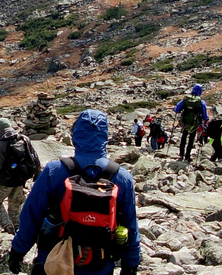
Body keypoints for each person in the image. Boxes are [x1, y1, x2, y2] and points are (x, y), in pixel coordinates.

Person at [8, 110, 141, 275]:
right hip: (100, 265)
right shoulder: (122, 177)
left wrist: (18, 251)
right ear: (105, 136)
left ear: (76, 134)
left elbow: (32, 216)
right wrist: (131, 263)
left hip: (54, 262)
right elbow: (131, 225)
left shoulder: (54, 171)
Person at [0, 118, 41, 234]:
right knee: (15, 206)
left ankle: (7, 226)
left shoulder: (1, 146)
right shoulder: (24, 139)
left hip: (5, 182)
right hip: (21, 180)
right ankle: (18, 229)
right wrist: (37, 173)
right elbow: (34, 158)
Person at [173, 84, 209, 162]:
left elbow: (177, 109)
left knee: (183, 137)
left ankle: (181, 154)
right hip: (194, 123)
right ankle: (187, 156)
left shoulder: (186, 99)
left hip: (185, 122)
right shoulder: (201, 102)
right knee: (191, 139)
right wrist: (205, 120)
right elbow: (205, 116)